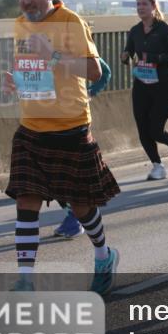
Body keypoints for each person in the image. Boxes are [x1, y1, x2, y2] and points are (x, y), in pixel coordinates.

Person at [3, 0, 120, 293]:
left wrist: (53, 57)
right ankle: (25, 279)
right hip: (31, 128)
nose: (27, 1)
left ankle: (104, 255)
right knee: (26, 201)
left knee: (81, 205)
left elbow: (95, 71)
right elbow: (33, 69)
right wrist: (18, 82)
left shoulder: (70, 21)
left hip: (70, 126)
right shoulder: (19, 25)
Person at [121, 0, 168, 180]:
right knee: (142, 128)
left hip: (164, 85)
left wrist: (156, 58)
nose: (140, 7)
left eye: (144, 4)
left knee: (156, 129)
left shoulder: (163, 28)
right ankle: (157, 166)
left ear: (153, 7)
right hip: (142, 84)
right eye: (138, 4)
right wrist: (125, 57)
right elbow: (129, 52)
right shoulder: (135, 31)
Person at [52, 57, 112, 238]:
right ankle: (75, 216)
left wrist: (90, 92)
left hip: (75, 119)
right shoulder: (42, 45)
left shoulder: (76, 44)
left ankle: (76, 218)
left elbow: (104, 72)